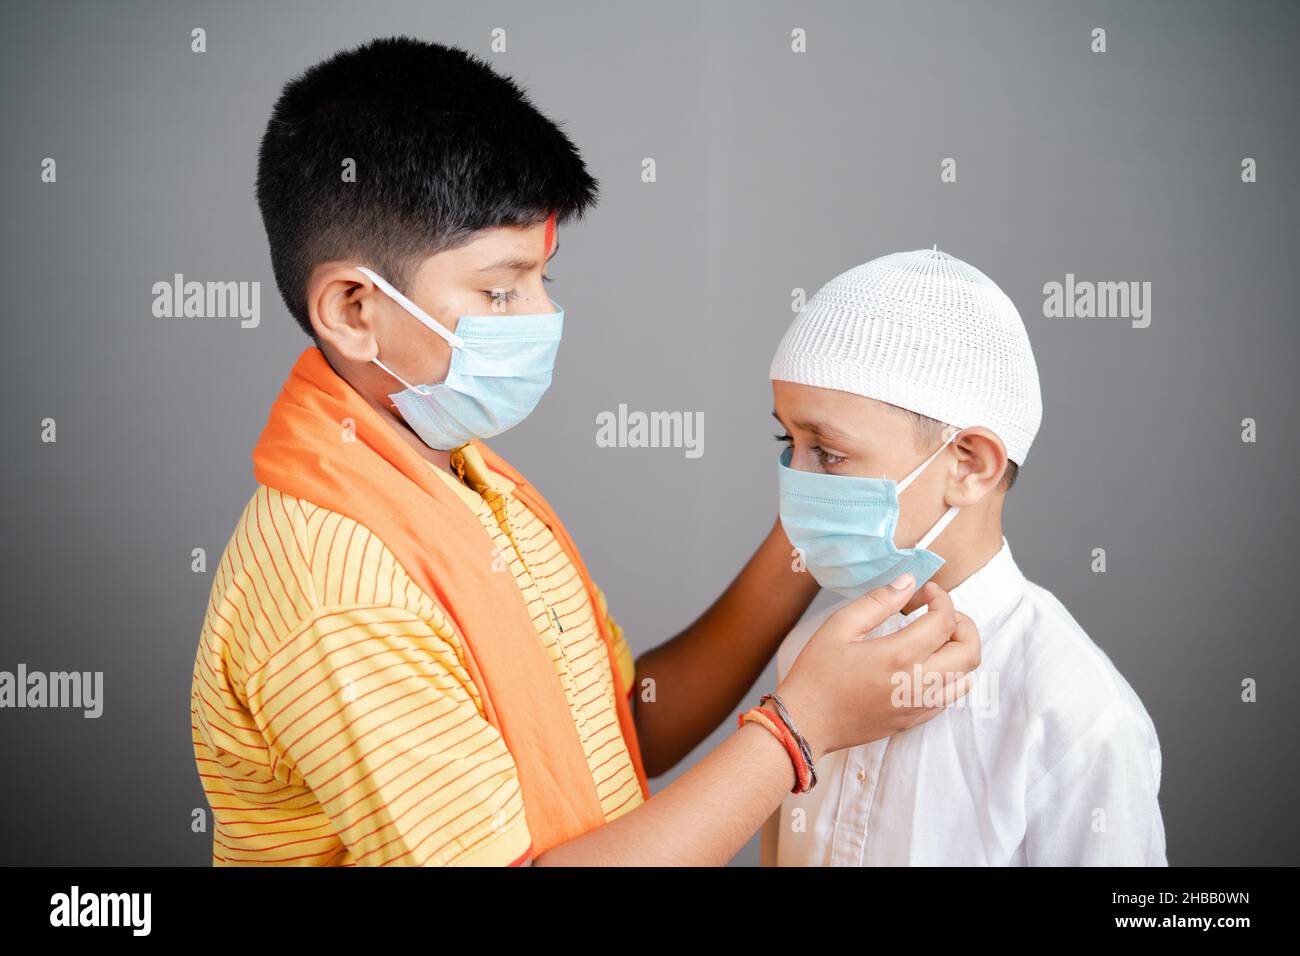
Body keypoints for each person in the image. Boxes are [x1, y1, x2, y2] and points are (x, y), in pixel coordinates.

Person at [189, 38, 980, 866]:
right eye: (500, 289)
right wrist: (798, 731)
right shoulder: (339, 586)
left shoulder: (458, 477)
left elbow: (621, 726)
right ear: (353, 309)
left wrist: (822, 523)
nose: (538, 316)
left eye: (544, 280)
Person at [760, 248, 1167, 866]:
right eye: (788, 441)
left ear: (971, 466)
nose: (797, 475)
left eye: (830, 453)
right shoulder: (805, 656)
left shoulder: (1073, 714)